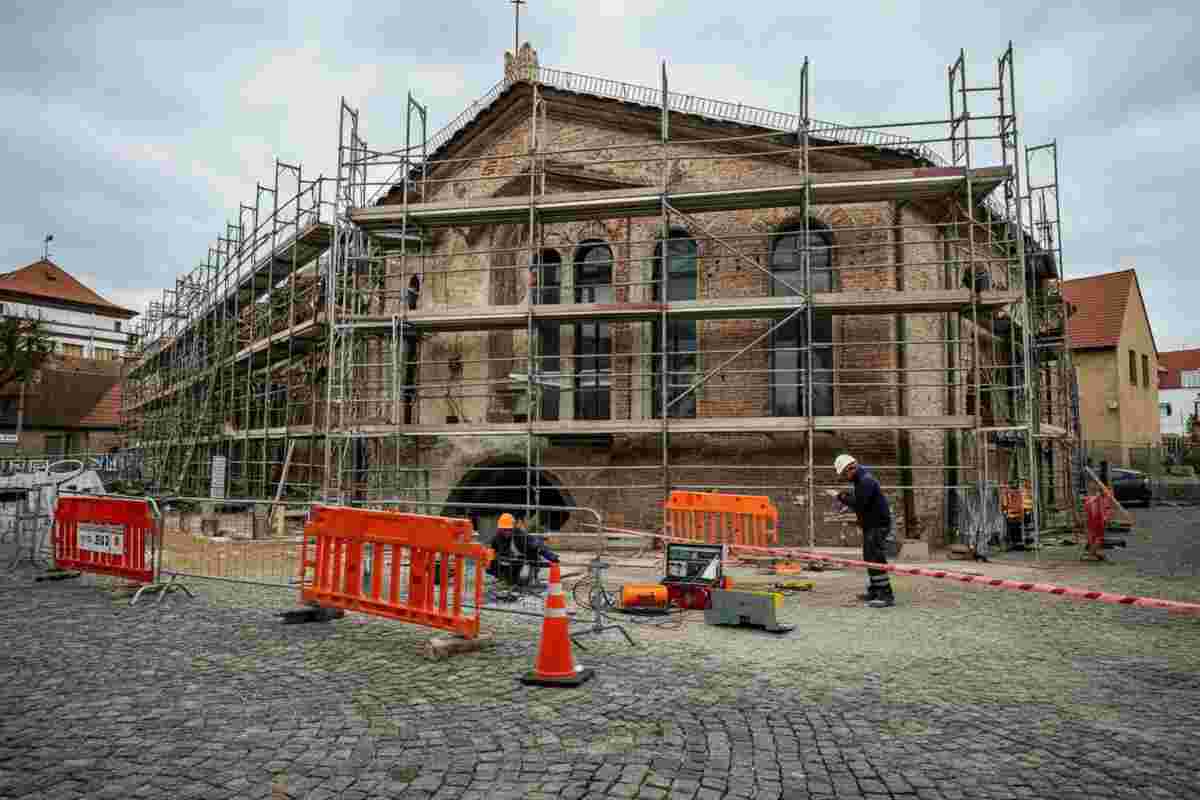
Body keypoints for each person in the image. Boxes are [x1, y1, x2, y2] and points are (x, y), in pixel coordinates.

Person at [834, 454, 896, 608]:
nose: (844, 478)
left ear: (850, 469)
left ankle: (885, 595)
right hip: (872, 525)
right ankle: (875, 591)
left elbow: (860, 504)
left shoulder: (865, 481)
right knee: (870, 558)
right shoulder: (861, 480)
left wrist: (842, 497)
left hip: (877, 526)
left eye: (844, 474)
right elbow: (862, 501)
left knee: (876, 559)